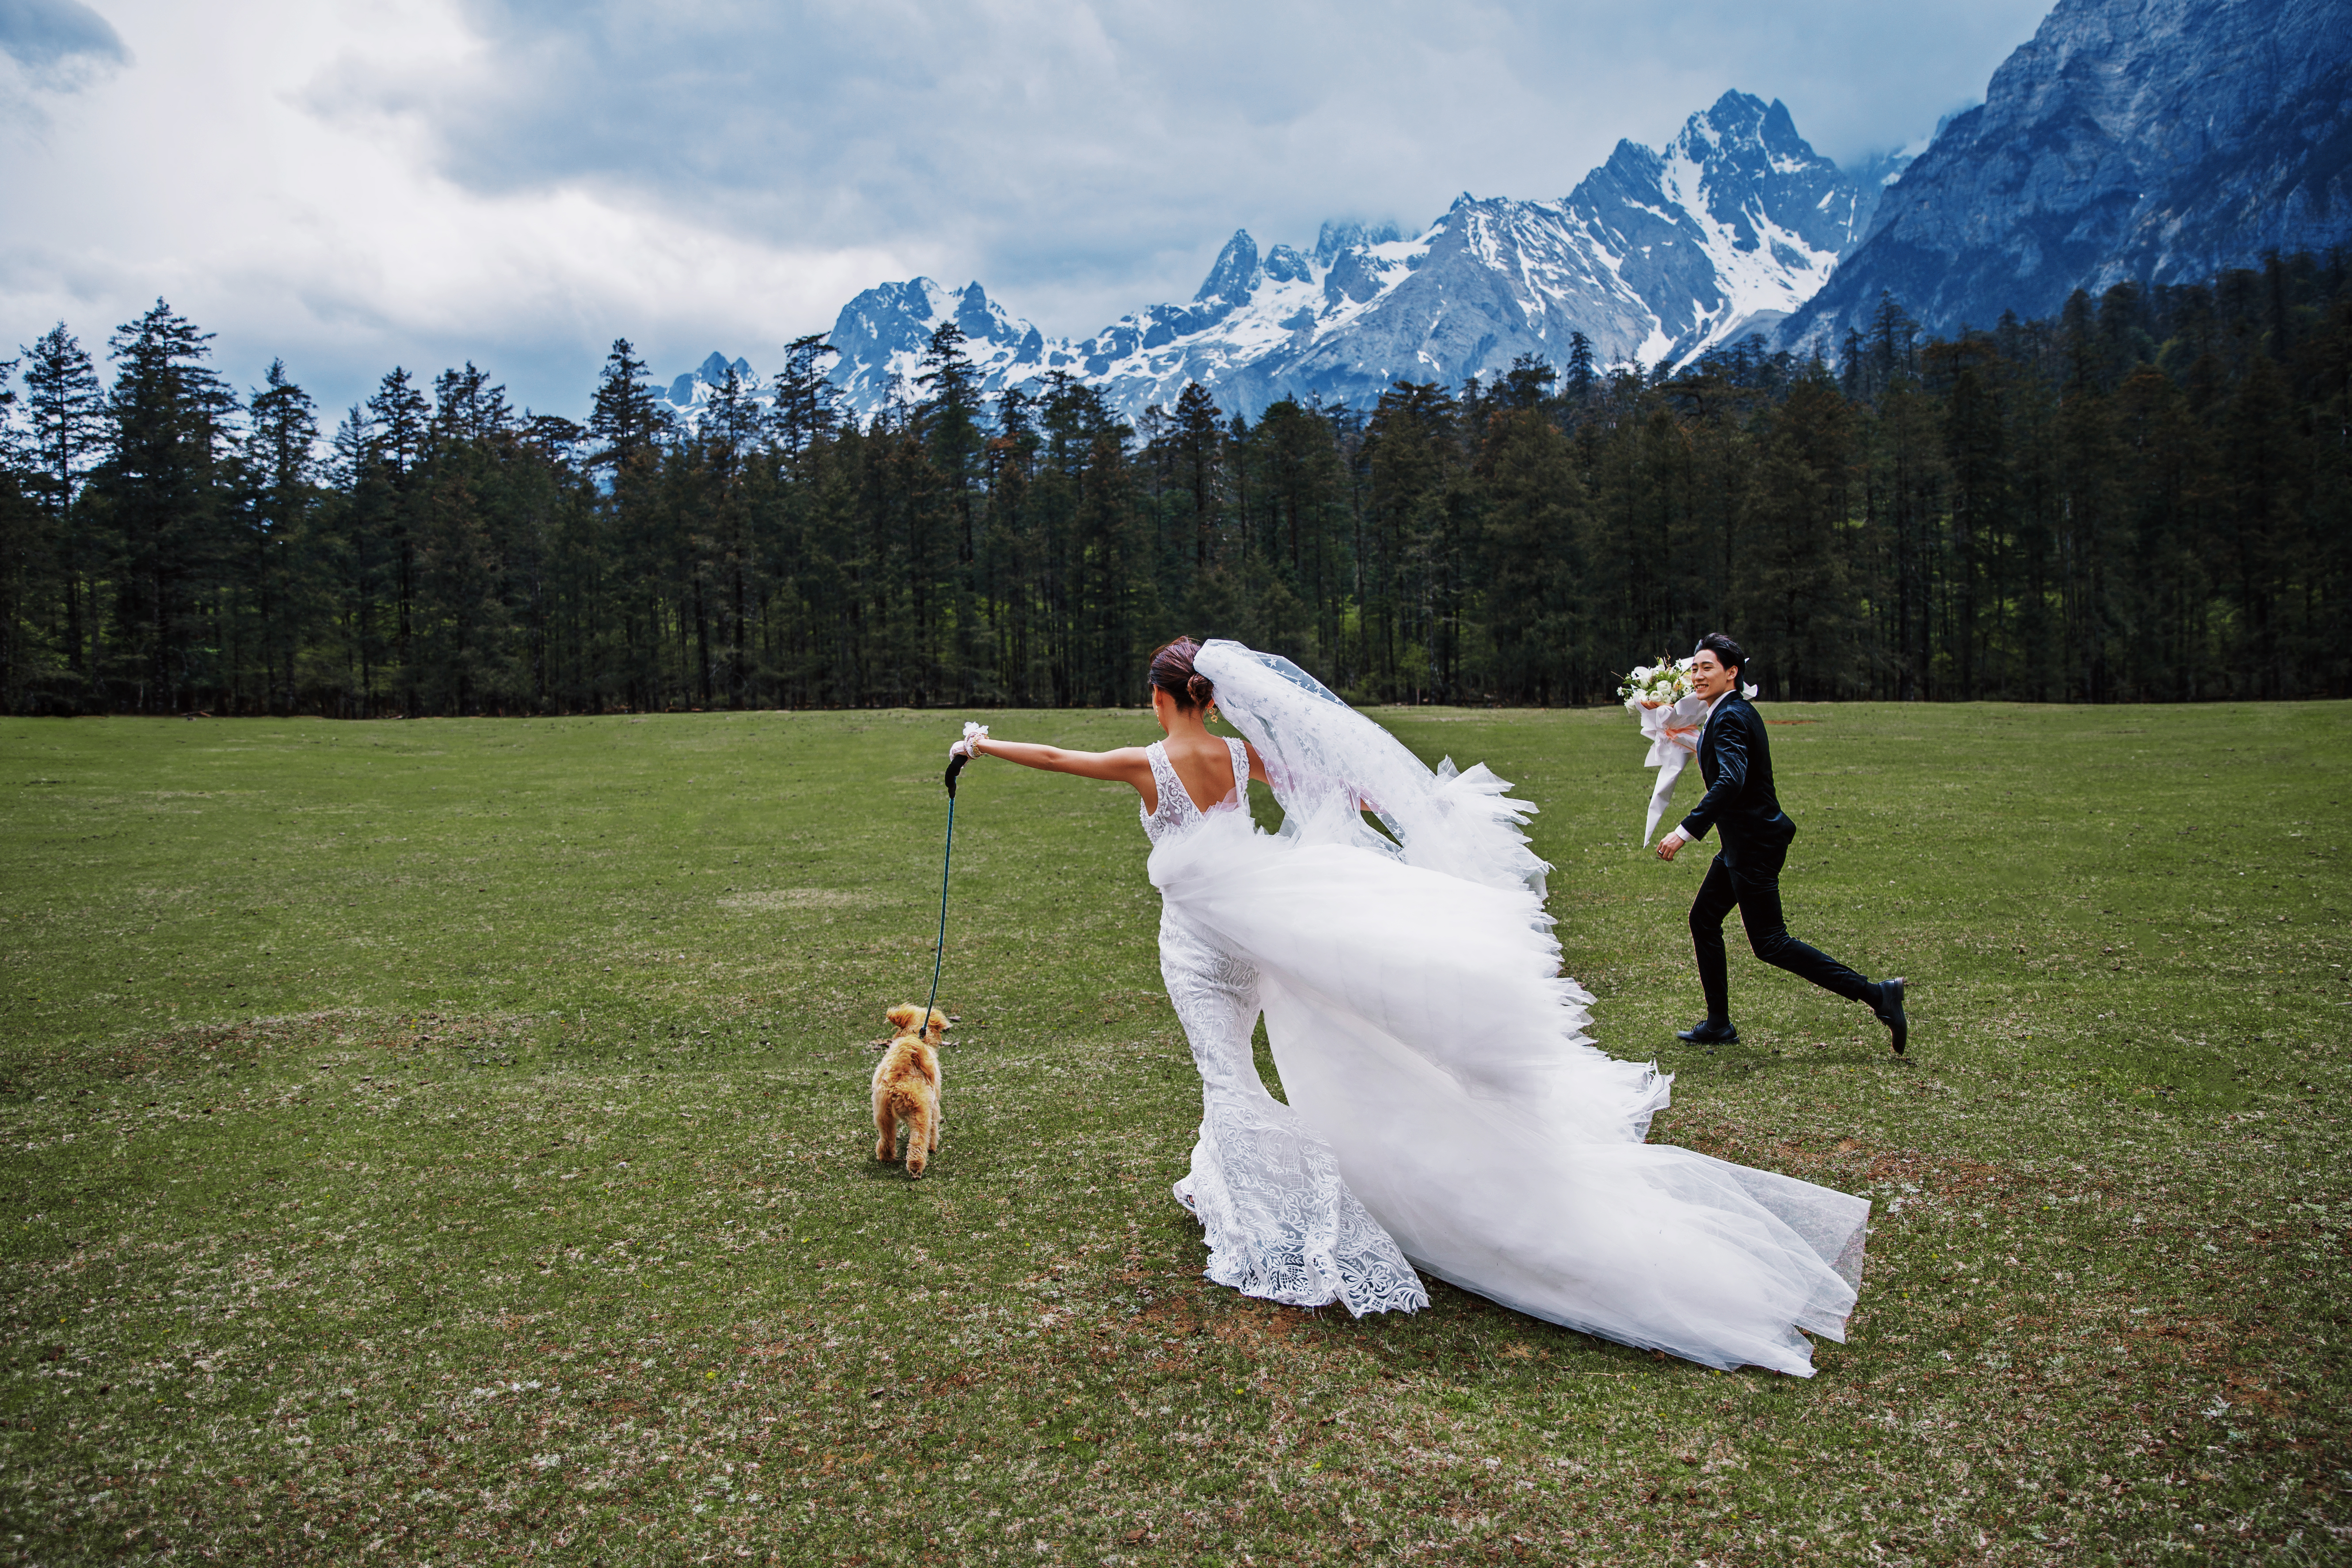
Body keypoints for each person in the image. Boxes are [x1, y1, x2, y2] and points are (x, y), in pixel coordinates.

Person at [952, 636, 1869, 1377]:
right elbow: (1324, 784)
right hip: (1259, 942)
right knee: (1249, 1061)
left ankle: (1270, 1223)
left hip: (1197, 945)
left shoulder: (1146, 761)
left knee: (1221, 1069)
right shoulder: (1236, 754)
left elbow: (1053, 756)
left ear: (1161, 699)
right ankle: (1223, 1178)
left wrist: (979, 745)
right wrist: (1408, 809)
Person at [1656, 633, 1908, 1054]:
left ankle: (1879, 996)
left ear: (1731, 673)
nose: (1697, 675)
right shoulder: (1729, 711)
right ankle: (1718, 1023)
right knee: (1703, 919)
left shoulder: (1731, 716)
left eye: (1707, 668)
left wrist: (1683, 831)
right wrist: (1676, 735)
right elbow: (1721, 753)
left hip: (1753, 845)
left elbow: (1731, 779)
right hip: (1743, 841)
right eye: (1694, 667)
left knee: (1771, 943)